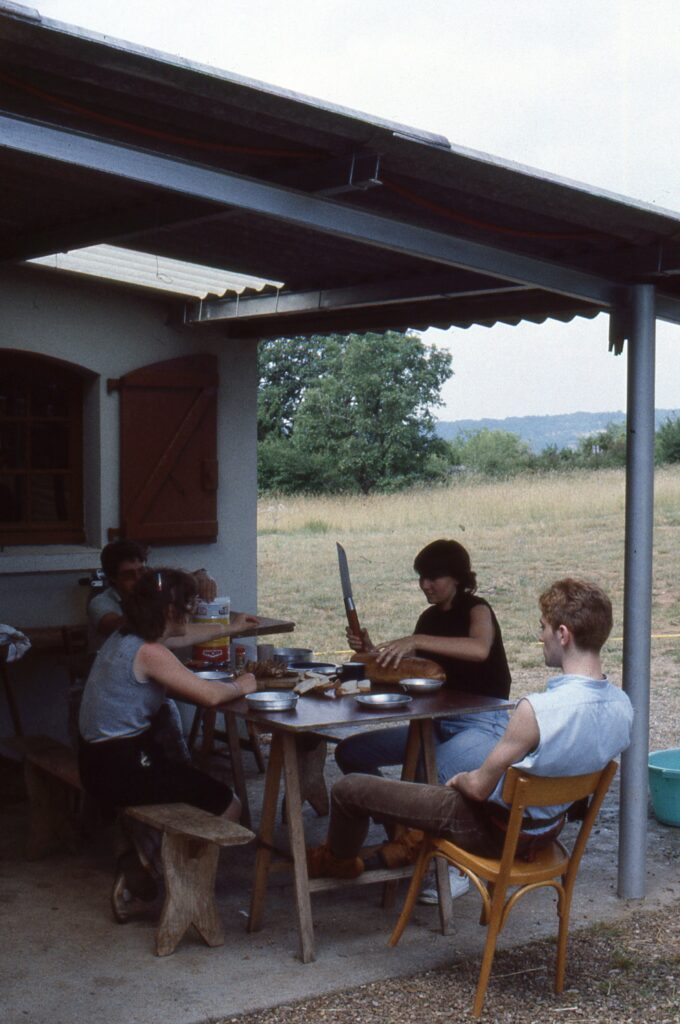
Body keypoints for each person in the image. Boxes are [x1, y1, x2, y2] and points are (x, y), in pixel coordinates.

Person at [309, 578, 634, 904]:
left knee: (348, 789)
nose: (540, 637)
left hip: (492, 830)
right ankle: (395, 850)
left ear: (563, 634)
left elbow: (477, 788)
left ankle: (339, 862)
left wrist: (460, 779)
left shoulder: (537, 710)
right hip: (546, 830)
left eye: (543, 627)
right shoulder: (623, 707)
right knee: (424, 766)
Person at [78, 567, 258, 922]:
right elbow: (209, 695)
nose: (191, 612)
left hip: (96, 762)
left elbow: (183, 635)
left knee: (182, 779)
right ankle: (168, 882)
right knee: (228, 805)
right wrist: (244, 684)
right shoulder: (149, 653)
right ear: (170, 611)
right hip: (121, 768)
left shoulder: (126, 636)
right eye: (188, 606)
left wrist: (231, 627)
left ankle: (144, 860)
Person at [336, 539, 512, 786]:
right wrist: (369, 651)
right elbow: (408, 668)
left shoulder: (477, 608)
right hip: (437, 723)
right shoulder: (428, 618)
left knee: (426, 773)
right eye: (421, 577)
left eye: (433, 578)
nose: (424, 585)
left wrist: (417, 639)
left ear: (457, 578)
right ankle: (391, 810)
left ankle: (405, 808)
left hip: (484, 723)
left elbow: (479, 649)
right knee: (351, 752)